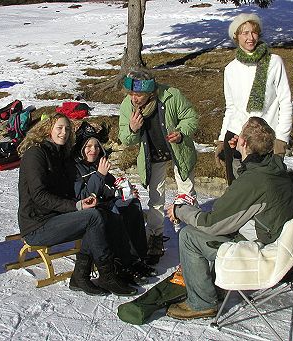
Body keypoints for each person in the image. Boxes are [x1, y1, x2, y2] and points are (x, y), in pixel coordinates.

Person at [165, 117, 293, 320]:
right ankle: (213, 285)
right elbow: (248, 181)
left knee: (189, 236)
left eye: (241, 134)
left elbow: (212, 223)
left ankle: (201, 303)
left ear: (244, 142)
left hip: (263, 251)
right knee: (212, 227)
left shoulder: (255, 181)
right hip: (281, 241)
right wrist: (238, 156)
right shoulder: (274, 166)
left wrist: (181, 210)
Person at [17, 112, 137, 297]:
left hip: (55, 218)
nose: (63, 132)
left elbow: (68, 191)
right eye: (59, 128)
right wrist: (76, 206)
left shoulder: (59, 155)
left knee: (98, 213)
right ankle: (107, 274)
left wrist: (84, 201)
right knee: (93, 218)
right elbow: (40, 196)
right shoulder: (36, 154)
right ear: (48, 129)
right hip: (36, 225)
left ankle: (83, 276)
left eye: (67, 129)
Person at [118, 67, 199, 265]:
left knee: (187, 194)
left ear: (150, 92)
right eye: (131, 94)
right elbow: (124, 138)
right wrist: (132, 128)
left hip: (178, 151)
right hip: (151, 156)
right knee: (155, 198)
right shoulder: (127, 106)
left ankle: (194, 235)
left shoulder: (171, 95)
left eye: (139, 95)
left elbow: (191, 117)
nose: (134, 99)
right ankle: (155, 237)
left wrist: (181, 133)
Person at [72, 121, 157, 285]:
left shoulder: (97, 164)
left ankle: (138, 258)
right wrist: (99, 175)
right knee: (114, 210)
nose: (93, 150)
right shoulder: (76, 169)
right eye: (88, 146)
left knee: (133, 205)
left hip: (102, 203)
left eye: (96, 146)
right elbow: (82, 196)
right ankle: (124, 262)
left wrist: (125, 192)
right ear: (81, 148)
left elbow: (110, 187)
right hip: (86, 210)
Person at [215, 13, 293, 185]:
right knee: (238, 192)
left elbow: (285, 102)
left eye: (254, 32)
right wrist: (222, 140)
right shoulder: (231, 69)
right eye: (244, 33)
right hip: (236, 139)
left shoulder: (274, 62)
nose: (250, 37)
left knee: (266, 189)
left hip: (265, 139)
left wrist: (282, 139)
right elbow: (231, 108)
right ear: (236, 36)